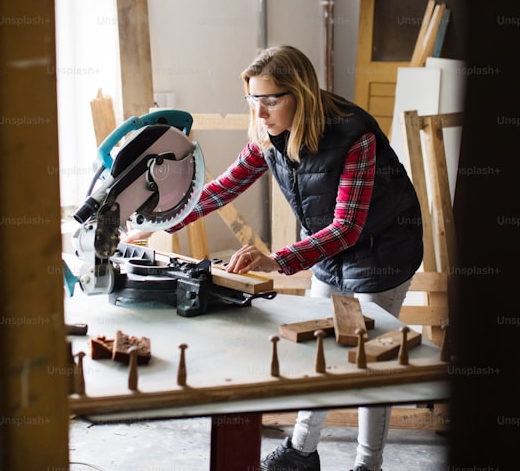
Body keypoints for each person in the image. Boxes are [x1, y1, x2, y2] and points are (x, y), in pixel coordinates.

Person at [123, 45, 423, 471]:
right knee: (320, 349)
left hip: (382, 250)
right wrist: (158, 224)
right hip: (327, 248)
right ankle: (302, 452)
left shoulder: (355, 135)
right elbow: (223, 188)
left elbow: (348, 228)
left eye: (270, 100)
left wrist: (276, 260)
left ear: (299, 93)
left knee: (366, 359)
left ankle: (368, 465)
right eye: (252, 100)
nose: (260, 113)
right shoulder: (267, 136)